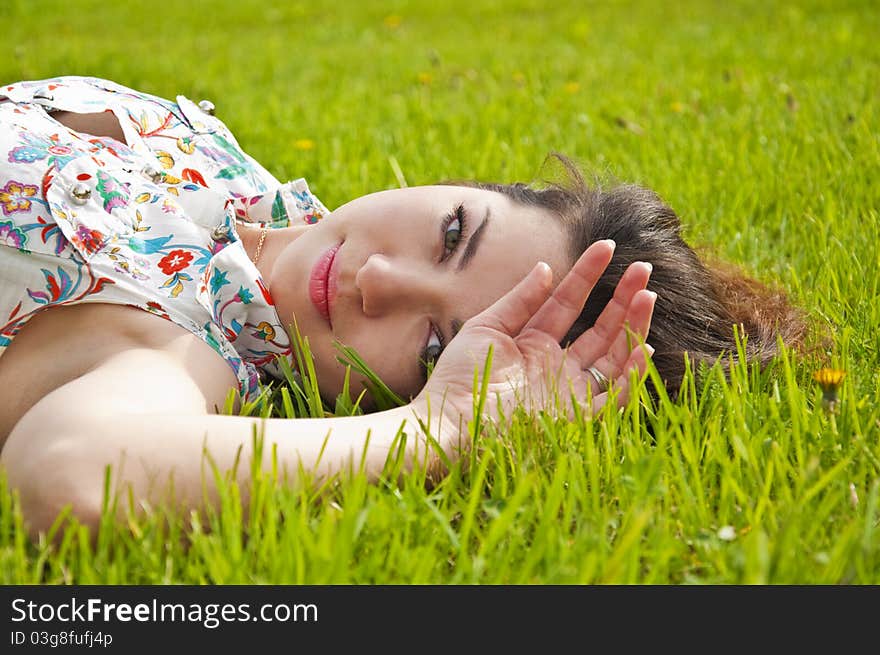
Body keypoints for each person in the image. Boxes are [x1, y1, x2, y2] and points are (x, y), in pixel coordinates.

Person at [0, 77, 803, 536]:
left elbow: (69, 476)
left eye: (431, 347)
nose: (379, 279)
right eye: (452, 232)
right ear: (468, 184)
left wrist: (439, 428)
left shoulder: (193, 344)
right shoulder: (228, 176)